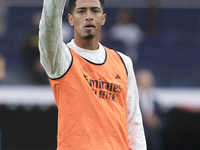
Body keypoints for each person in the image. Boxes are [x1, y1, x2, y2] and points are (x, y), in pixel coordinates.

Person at [39, 0, 146, 149]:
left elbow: (133, 123)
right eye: (81, 11)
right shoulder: (61, 58)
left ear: (103, 18)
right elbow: (49, 28)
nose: (88, 16)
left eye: (95, 11)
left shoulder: (123, 62)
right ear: (70, 19)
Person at [136, 69, 164, 150]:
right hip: (137, 139)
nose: (145, 82)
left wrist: (157, 122)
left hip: (154, 140)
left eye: (148, 80)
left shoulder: (156, 101)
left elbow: (164, 121)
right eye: (143, 79)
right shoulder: (132, 100)